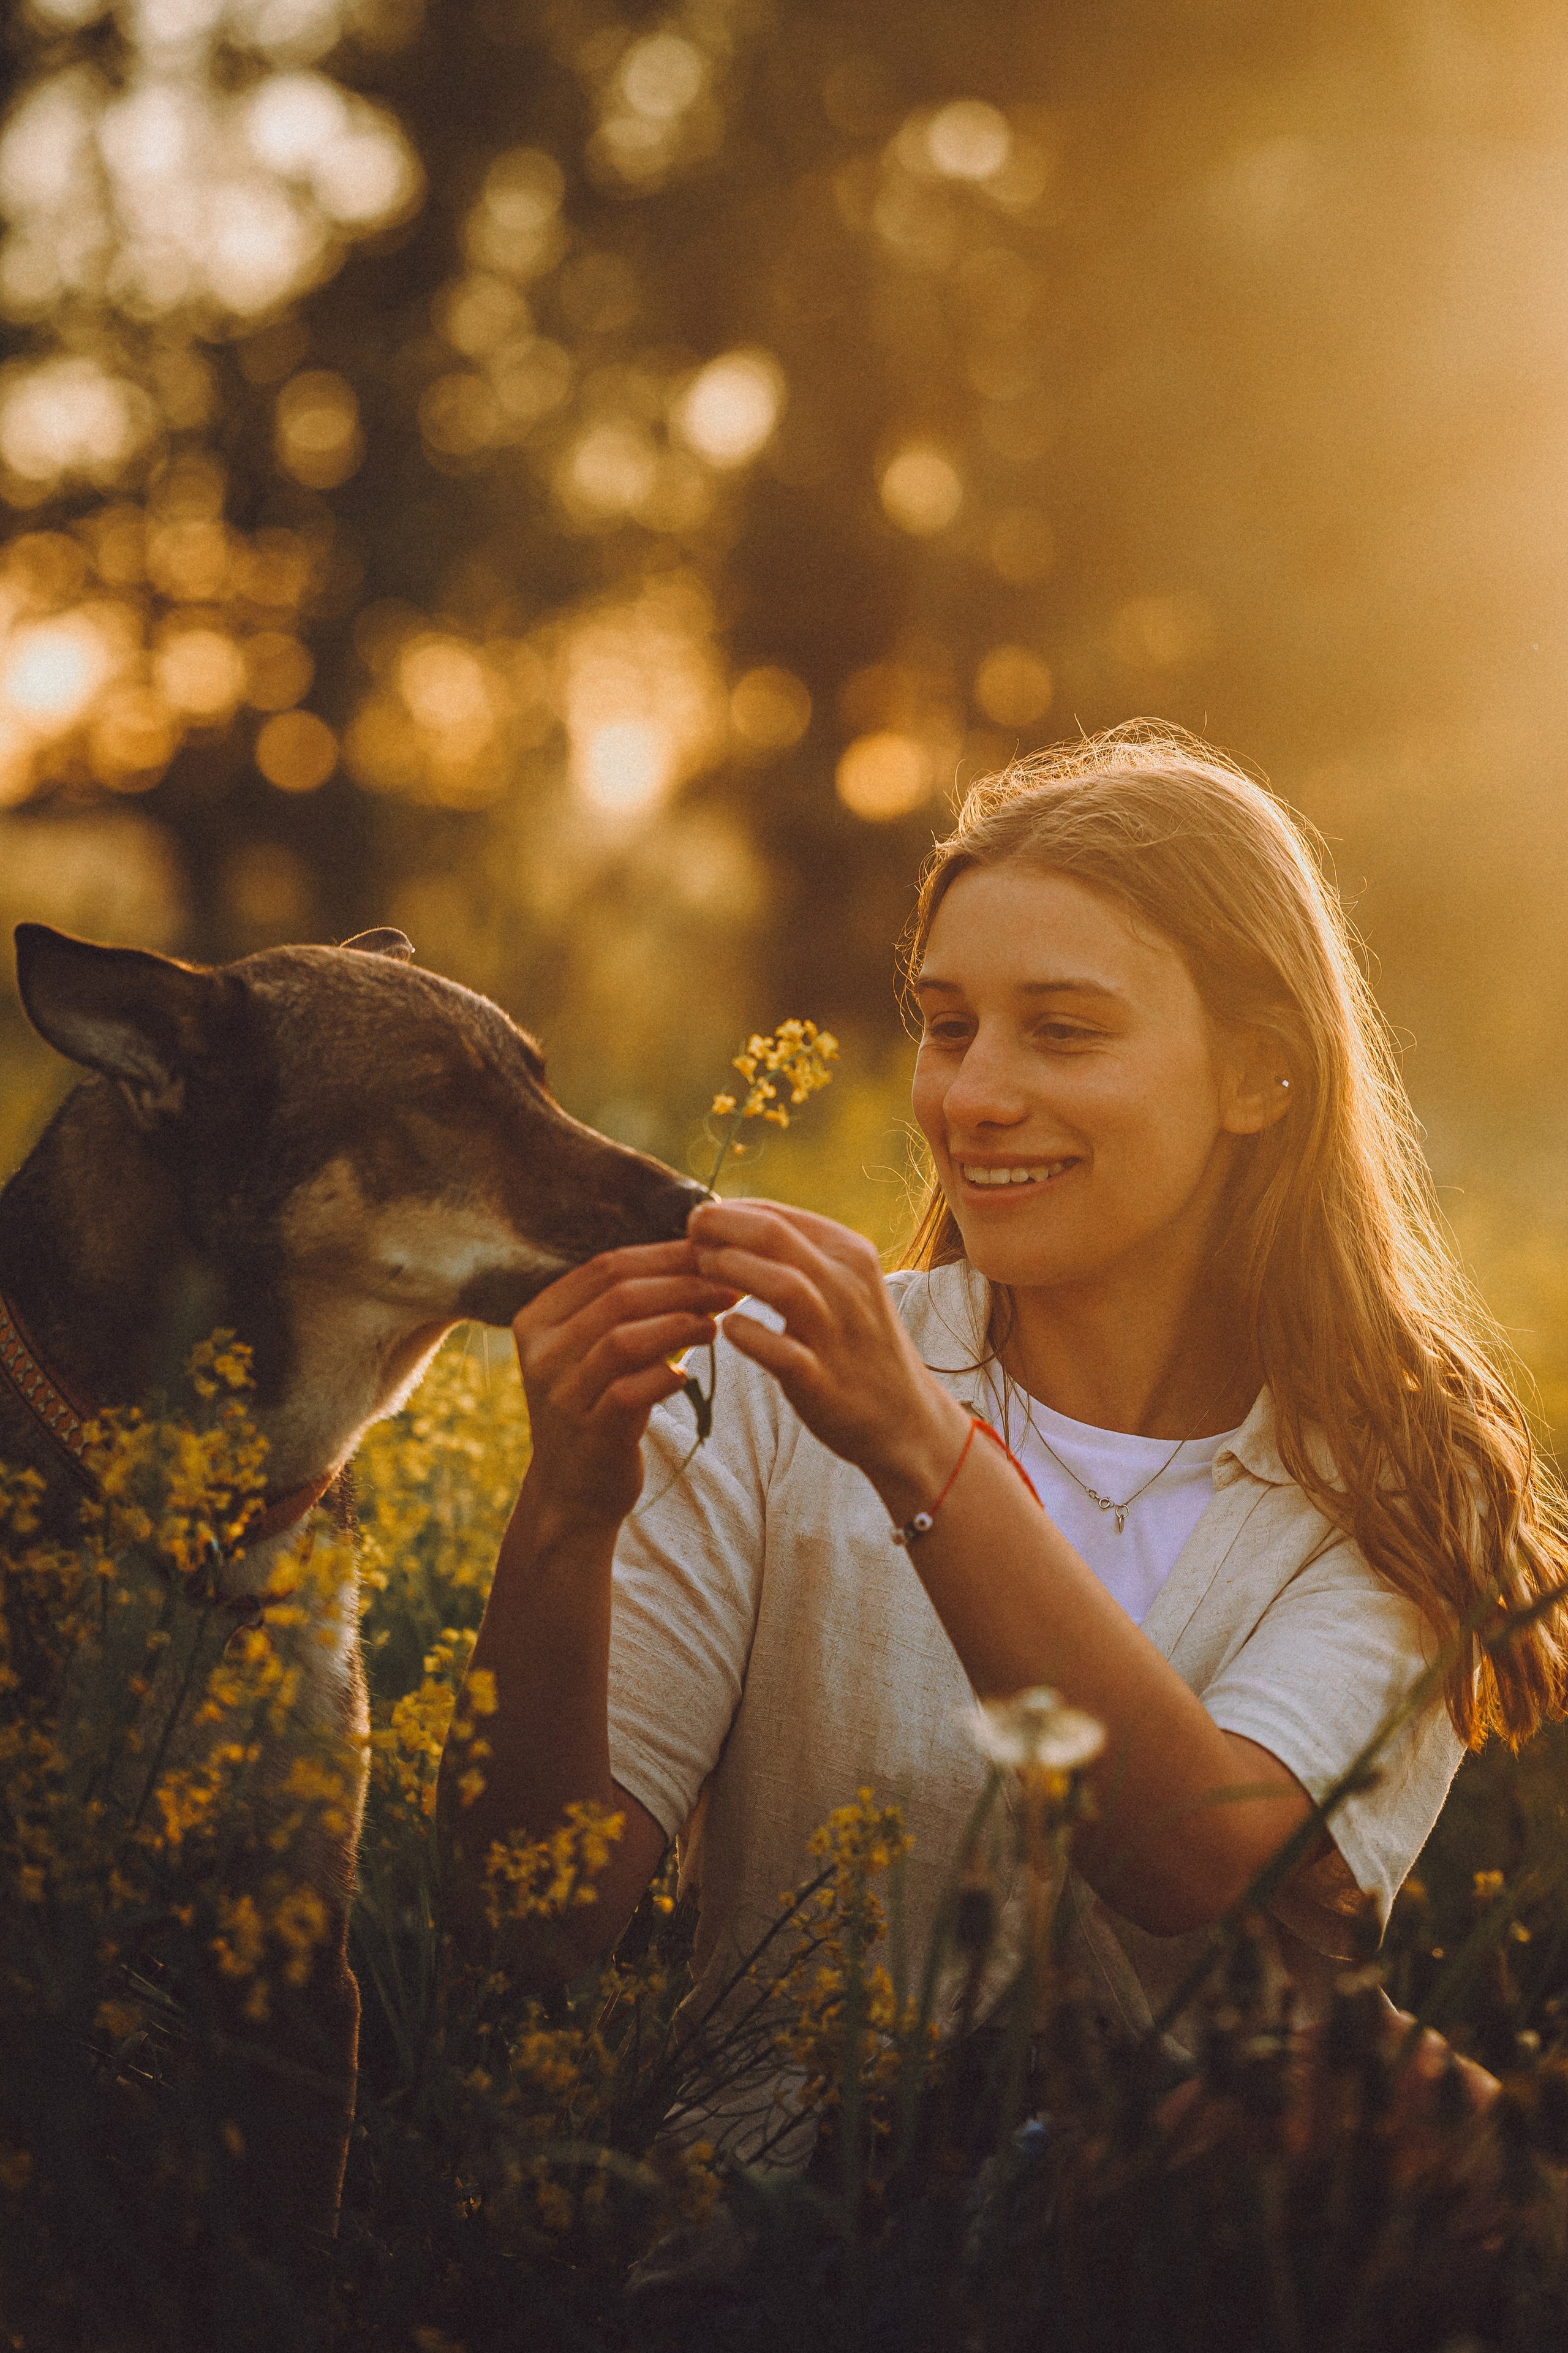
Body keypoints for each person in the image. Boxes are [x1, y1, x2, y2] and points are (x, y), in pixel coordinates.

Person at [440, 722, 1568, 2125]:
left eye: (1063, 1029)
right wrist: (564, 1511)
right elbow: (528, 1928)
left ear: (1256, 1076)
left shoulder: (1405, 1473)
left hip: (1207, 2257)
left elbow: (1194, 1865)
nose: (970, 1097)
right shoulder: (762, 1388)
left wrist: (915, 1449)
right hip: (793, 2249)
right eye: (947, 1024)